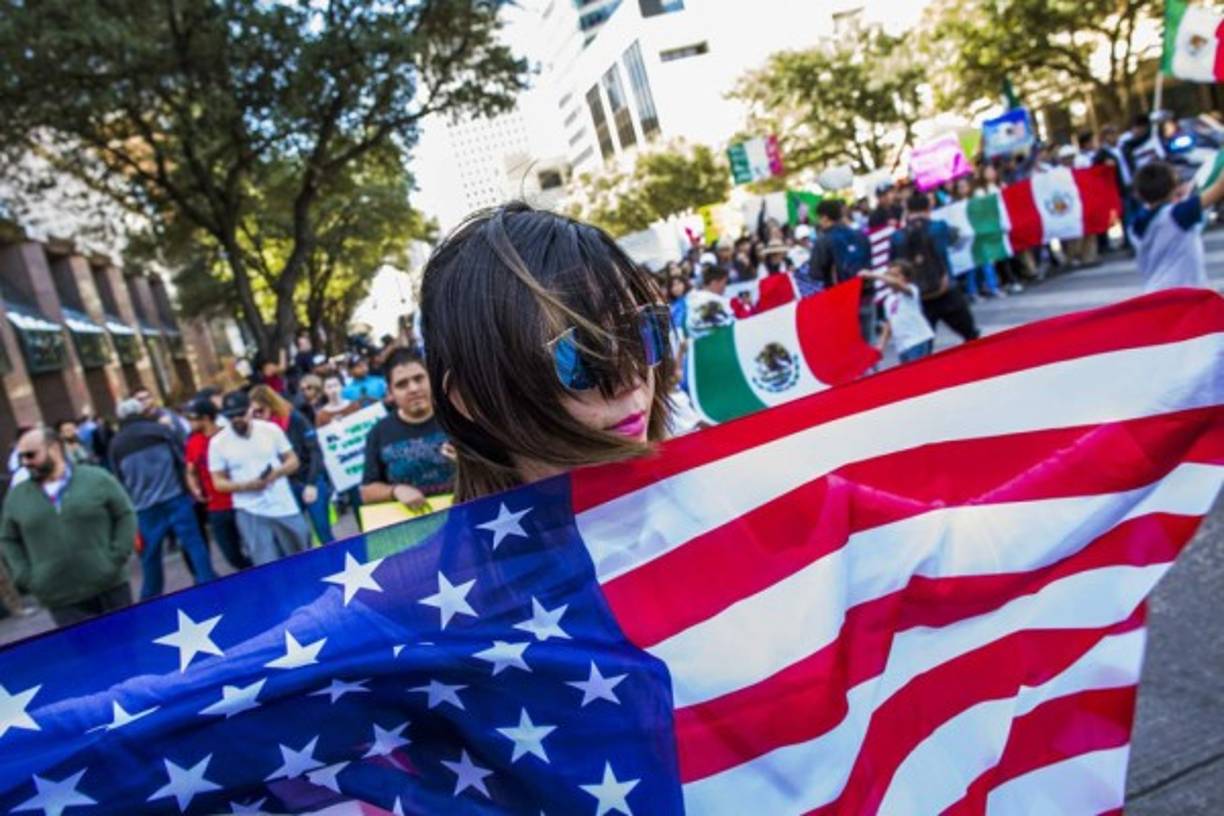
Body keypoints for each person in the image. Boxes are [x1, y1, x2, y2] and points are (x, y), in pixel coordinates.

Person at [416, 204, 673, 501]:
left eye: (640, 331)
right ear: (475, 400)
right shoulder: (478, 548)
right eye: (585, 351)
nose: (630, 377)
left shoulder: (711, 506)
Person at [0, 427, 136, 626]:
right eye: (21, 457)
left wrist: (116, 556)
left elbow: (125, 514)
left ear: (54, 449)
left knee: (131, 650)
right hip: (61, 597)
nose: (25, 462)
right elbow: (8, 539)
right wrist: (27, 577)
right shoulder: (17, 496)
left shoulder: (96, 478)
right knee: (88, 656)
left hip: (111, 585)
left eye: (30, 455)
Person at [108, 398, 216, 598]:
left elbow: (119, 479)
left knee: (150, 558)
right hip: (175, 497)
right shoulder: (159, 431)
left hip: (144, 508)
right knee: (195, 545)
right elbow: (180, 460)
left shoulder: (116, 444)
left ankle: (150, 598)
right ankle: (209, 584)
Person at [208, 390, 310, 565]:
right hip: (249, 508)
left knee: (302, 548)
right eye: (231, 416)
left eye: (241, 414)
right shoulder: (218, 443)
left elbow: (293, 460)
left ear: (250, 410)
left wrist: (276, 473)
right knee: (265, 561)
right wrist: (246, 485)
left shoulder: (270, 430)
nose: (236, 420)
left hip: (282, 502)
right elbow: (218, 482)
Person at [360, 348, 456, 511]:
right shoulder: (378, 432)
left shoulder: (458, 417)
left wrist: (468, 462)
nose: (413, 388)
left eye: (419, 379)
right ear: (390, 393)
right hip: (414, 528)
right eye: (401, 384)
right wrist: (395, 490)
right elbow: (366, 492)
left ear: (431, 379)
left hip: (469, 518)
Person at [890, 191, 981, 344]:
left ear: (908, 210)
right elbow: (961, 239)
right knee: (971, 336)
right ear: (928, 208)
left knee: (922, 348)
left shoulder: (897, 236)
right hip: (946, 290)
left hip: (916, 297)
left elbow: (892, 266)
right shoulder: (939, 227)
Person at [249, 384, 332, 544]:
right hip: (287, 485)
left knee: (323, 532)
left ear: (270, 404)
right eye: (254, 413)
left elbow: (315, 451)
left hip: (309, 478)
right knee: (299, 538)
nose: (258, 416)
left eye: (260, 410)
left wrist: (312, 484)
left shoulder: (294, 418)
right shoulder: (262, 429)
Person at [1129, 160, 1224, 292]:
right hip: (1183, 294)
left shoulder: (1135, 223)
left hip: (1154, 292)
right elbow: (1220, 188)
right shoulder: (1176, 216)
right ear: (1172, 188)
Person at [182, 398, 252, 571]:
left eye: (192, 418)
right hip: (216, 508)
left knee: (256, 548)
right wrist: (194, 487)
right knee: (232, 555)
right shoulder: (193, 442)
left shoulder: (228, 435)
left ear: (206, 418)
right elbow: (190, 470)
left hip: (241, 502)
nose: (189, 423)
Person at [811, 198, 875, 342]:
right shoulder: (860, 234)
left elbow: (815, 273)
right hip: (866, 295)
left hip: (841, 300)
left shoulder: (823, 241)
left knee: (849, 344)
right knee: (868, 343)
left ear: (824, 217)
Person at [865, 261, 936, 364]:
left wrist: (873, 275)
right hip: (901, 345)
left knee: (917, 374)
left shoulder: (911, 290)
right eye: (889, 275)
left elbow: (897, 284)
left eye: (895, 275)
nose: (891, 278)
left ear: (905, 278)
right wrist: (881, 345)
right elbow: (889, 323)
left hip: (917, 340)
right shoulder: (888, 300)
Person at [685, 263, 736, 338]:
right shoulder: (709, 303)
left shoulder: (693, 300)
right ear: (714, 283)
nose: (725, 287)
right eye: (724, 283)